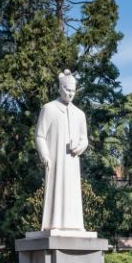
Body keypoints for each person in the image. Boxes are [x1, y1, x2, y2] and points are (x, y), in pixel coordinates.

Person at [35, 70, 89, 232]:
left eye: (73, 90)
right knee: (56, 188)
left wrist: (80, 147)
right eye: (67, 90)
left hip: (72, 162)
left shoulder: (80, 114)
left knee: (72, 191)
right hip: (56, 159)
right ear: (59, 89)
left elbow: (84, 139)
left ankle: (75, 225)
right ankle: (55, 223)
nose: (70, 94)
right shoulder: (49, 108)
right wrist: (44, 154)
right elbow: (40, 135)